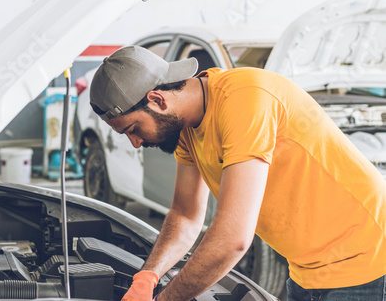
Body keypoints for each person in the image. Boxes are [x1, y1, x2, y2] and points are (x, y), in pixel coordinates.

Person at [89, 45, 386, 301]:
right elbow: (185, 215)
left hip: (366, 261)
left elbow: (233, 238)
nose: (135, 143)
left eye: (133, 129)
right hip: (308, 269)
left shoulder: (245, 99)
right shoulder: (188, 128)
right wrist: (147, 277)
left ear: (158, 100)